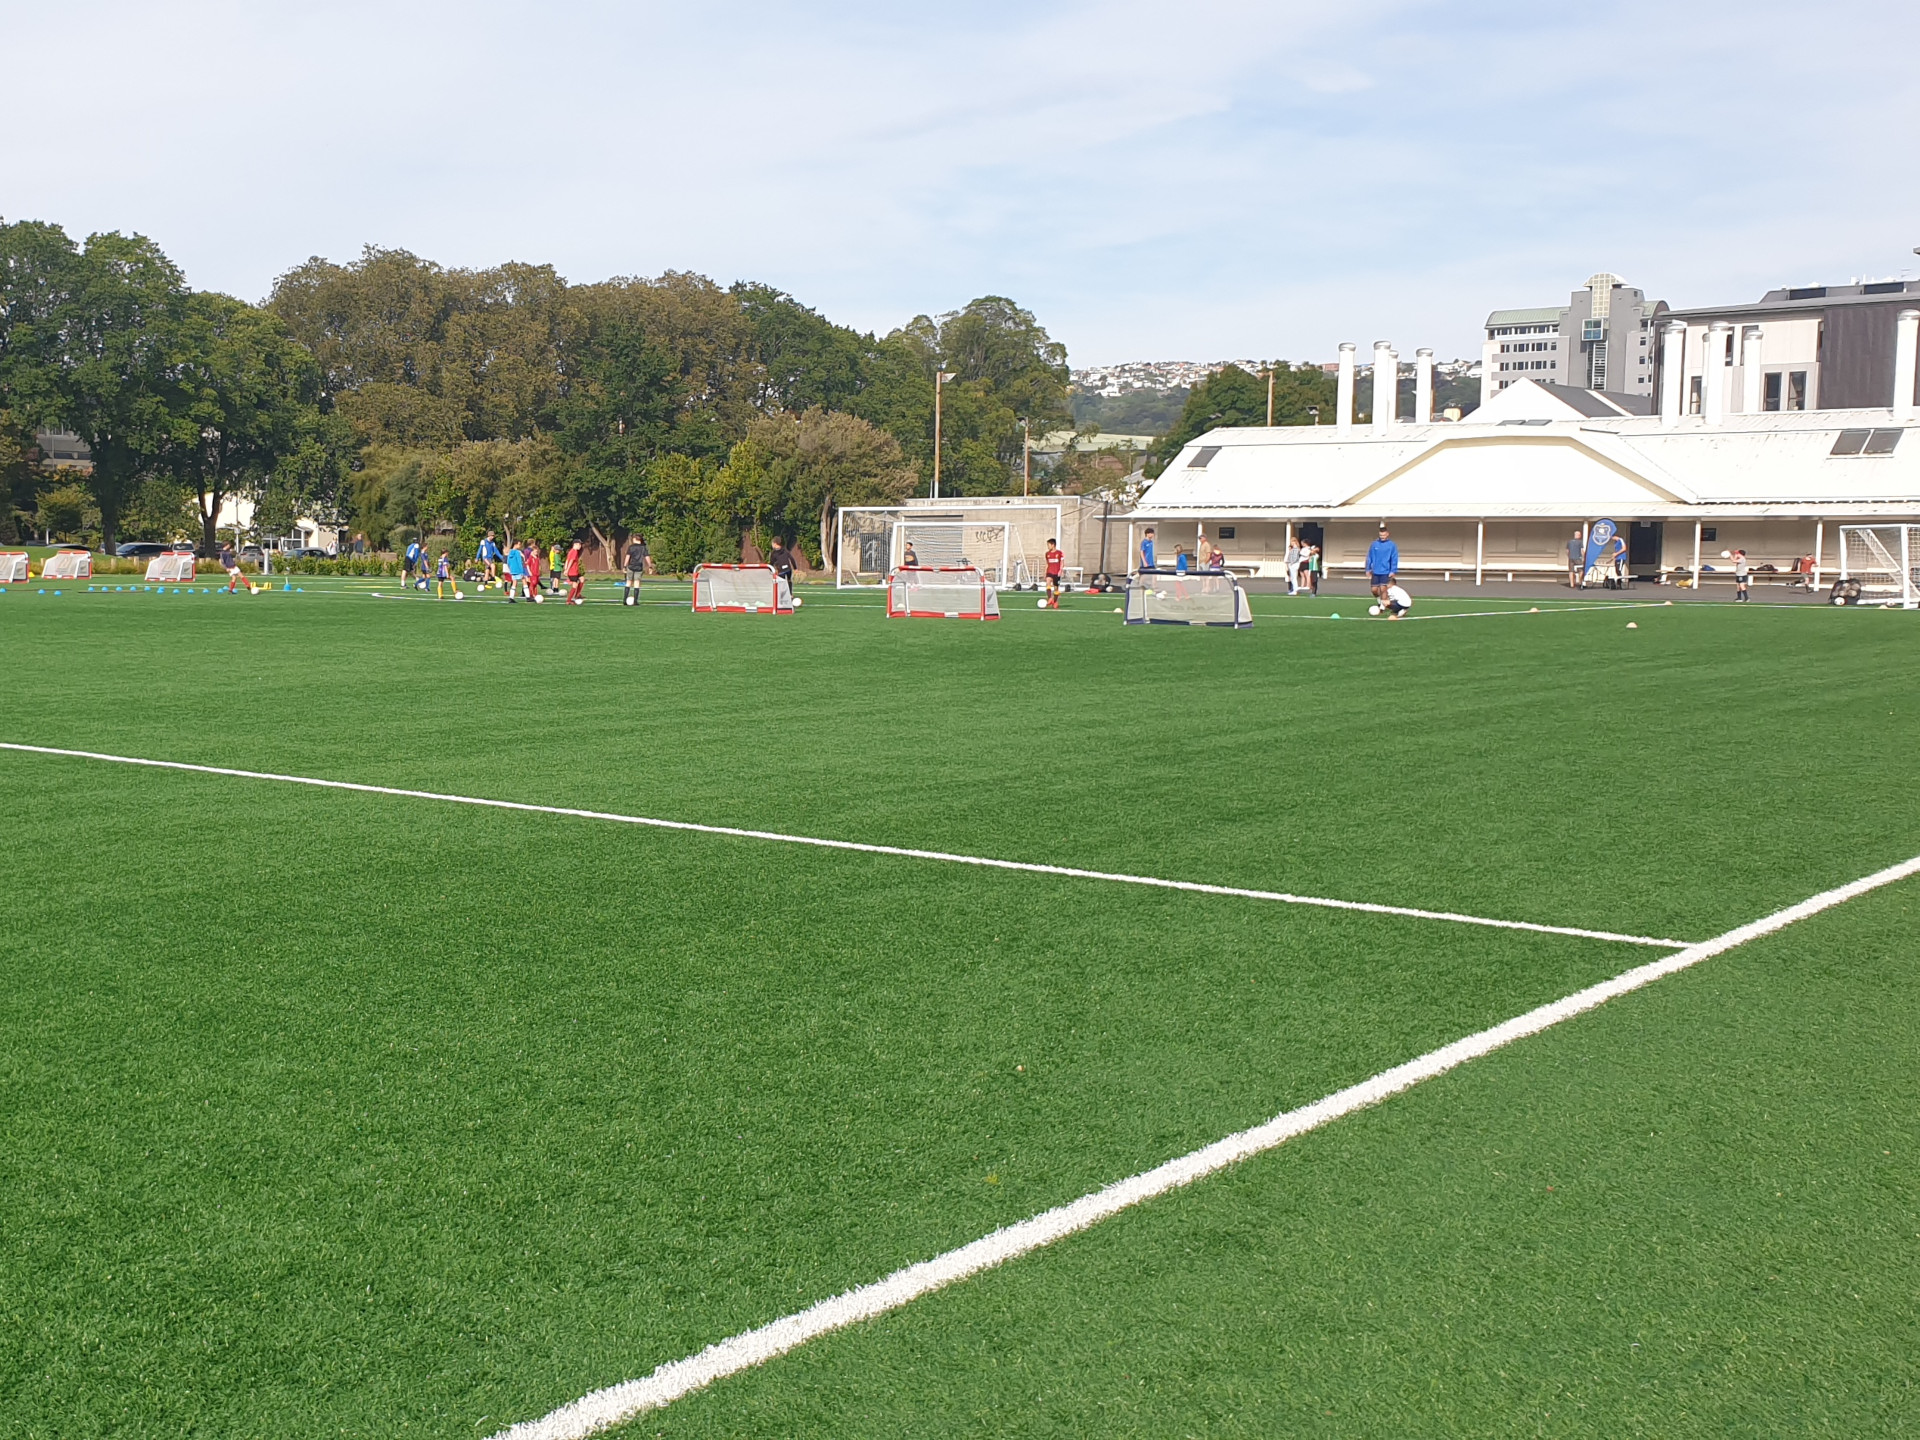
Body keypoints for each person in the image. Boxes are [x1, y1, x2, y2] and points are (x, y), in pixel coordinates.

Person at [1366, 524, 1399, 605]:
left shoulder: (1391, 545)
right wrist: (1368, 569)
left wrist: (1393, 570)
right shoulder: (1374, 544)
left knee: (1383, 589)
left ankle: (1382, 607)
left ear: (1387, 534)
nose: (1382, 536)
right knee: (1374, 590)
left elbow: (1394, 558)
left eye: (1383, 535)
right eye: (1381, 535)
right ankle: (1380, 600)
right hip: (1375, 571)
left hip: (1385, 571)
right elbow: (1369, 557)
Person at [624, 534, 651, 604]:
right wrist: (650, 566)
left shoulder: (631, 547)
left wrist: (624, 566)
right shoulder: (643, 547)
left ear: (636, 539)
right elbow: (647, 557)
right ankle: (635, 601)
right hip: (639, 567)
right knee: (637, 582)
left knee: (628, 582)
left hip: (631, 566)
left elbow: (627, 557)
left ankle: (624, 600)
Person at [1043, 536, 1064, 607]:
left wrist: (1061, 571)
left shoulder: (1059, 553)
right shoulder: (1047, 554)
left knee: (1056, 588)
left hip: (1056, 573)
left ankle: (1055, 602)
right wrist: (1045, 572)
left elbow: (1062, 563)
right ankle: (1050, 598)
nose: (1048, 547)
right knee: (1048, 582)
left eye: (1048, 545)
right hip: (1049, 572)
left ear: (1053, 545)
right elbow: (1047, 563)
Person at [564, 539, 585, 604]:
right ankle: (568, 600)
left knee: (582, 579)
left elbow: (567, 560)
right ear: (575, 544)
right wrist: (567, 570)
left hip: (574, 571)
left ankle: (577, 595)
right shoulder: (574, 551)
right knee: (575, 585)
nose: (580, 546)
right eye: (579, 544)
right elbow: (571, 561)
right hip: (572, 572)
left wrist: (565, 568)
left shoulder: (571, 551)